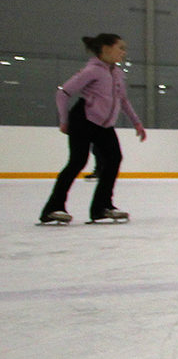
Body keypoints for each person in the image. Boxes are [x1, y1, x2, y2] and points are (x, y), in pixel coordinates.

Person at [38, 33, 147, 224]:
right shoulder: (92, 71)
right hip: (83, 119)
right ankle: (53, 208)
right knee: (78, 161)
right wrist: (64, 121)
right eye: (120, 47)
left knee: (114, 158)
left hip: (104, 125)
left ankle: (101, 207)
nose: (124, 52)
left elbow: (123, 100)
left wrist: (136, 122)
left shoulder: (117, 73)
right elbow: (63, 93)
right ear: (105, 49)